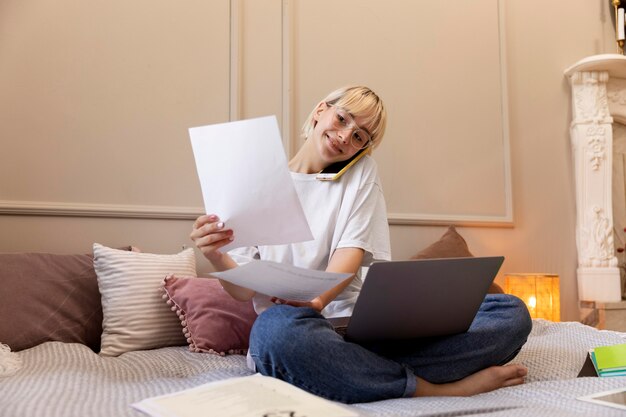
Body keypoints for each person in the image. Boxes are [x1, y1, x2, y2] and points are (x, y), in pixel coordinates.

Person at [190, 85, 532, 404]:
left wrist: (317, 300)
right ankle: (437, 389)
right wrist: (216, 256)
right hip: (297, 332)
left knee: (510, 314)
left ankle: (351, 372)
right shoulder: (253, 177)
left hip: (356, 331)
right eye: (341, 119)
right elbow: (243, 293)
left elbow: (348, 256)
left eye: (358, 137)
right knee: (275, 333)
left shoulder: (360, 174)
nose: (344, 136)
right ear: (320, 111)